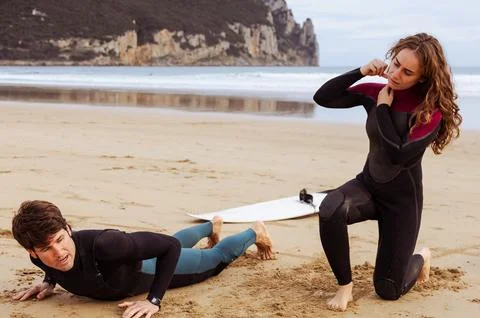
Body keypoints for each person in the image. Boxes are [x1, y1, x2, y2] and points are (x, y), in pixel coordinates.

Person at [312, 33, 462, 311]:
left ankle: (421, 257)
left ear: (423, 77)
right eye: (395, 64)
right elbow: (323, 97)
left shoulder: (431, 112)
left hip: (401, 203)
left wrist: (382, 107)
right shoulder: (377, 88)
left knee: (388, 289)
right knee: (330, 208)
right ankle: (345, 286)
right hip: (369, 186)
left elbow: (399, 154)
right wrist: (360, 72)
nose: (395, 74)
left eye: (407, 72)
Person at [11, 200, 274, 318]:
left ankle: (255, 231)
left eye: (60, 240)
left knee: (213, 261)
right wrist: (49, 282)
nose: (58, 253)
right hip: (134, 259)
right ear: (32, 252)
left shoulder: (107, 245)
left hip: (148, 269)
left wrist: (154, 300)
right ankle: (210, 227)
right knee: (171, 241)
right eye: (46, 249)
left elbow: (168, 247)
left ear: (68, 229)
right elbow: (51, 262)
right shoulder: (40, 257)